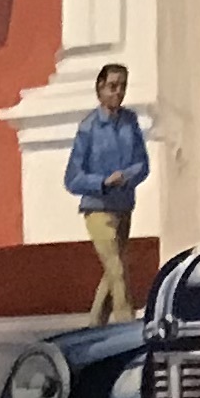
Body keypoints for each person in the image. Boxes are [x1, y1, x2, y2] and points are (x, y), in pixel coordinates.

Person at [65, 63, 147, 322]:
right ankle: (128, 327)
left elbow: (143, 164)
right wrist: (103, 181)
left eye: (122, 86)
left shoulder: (130, 122)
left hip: (124, 206)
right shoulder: (88, 128)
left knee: (112, 274)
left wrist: (127, 176)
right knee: (117, 270)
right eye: (113, 86)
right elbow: (72, 179)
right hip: (97, 209)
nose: (118, 92)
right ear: (99, 89)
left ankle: (95, 326)